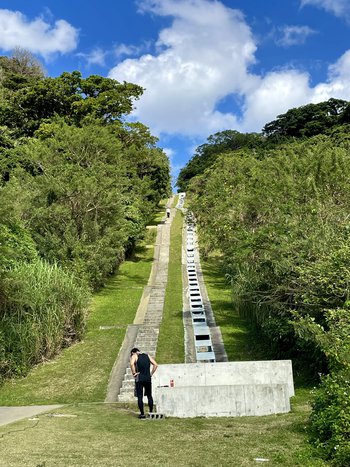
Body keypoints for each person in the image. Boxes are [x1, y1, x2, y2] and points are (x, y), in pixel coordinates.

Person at [130, 348, 158, 419]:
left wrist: (134, 373)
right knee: (149, 395)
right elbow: (155, 365)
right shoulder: (147, 355)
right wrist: (151, 374)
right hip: (148, 378)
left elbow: (131, 363)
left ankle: (142, 414)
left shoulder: (135, 355)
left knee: (140, 396)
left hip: (139, 378)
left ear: (133, 352)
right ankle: (151, 412)